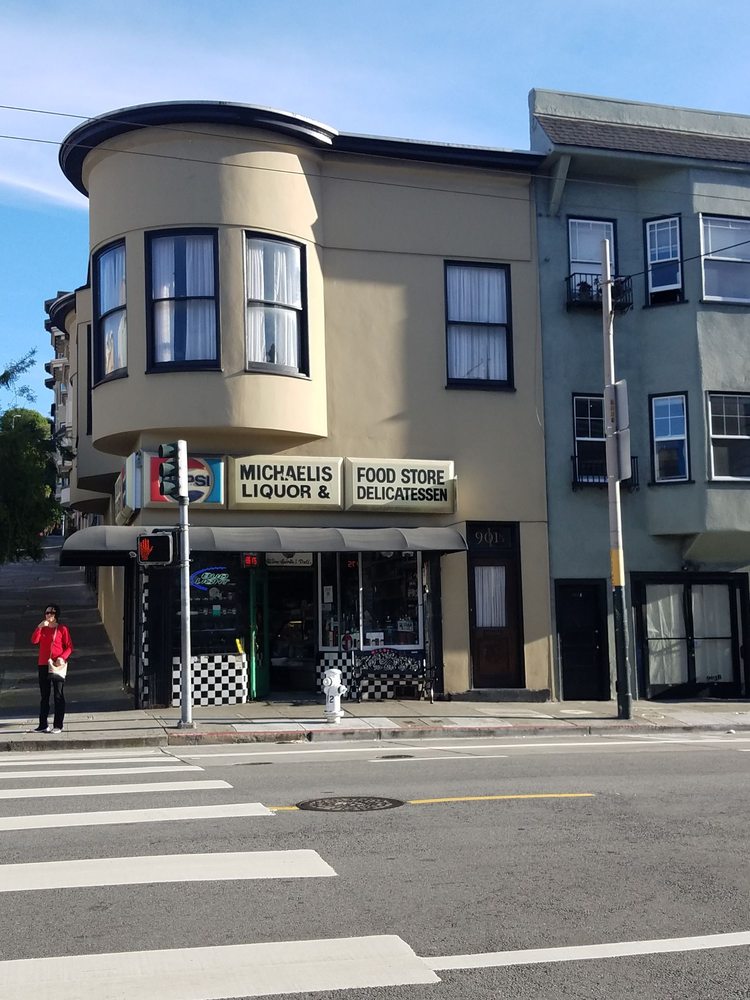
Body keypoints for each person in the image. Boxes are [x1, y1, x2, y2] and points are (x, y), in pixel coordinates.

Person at [30, 604, 73, 734]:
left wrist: (62, 657)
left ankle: (58, 725)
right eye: (47, 613)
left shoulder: (62, 629)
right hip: (43, 663)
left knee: (58, 694)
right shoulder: (43, 628)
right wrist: (39, 627)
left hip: (56, 664)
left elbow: (69, 647)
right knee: (44, 695)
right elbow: (34, 640)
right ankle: (43, 724)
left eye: (52, 613)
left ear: (56, 615)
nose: (49, 615)